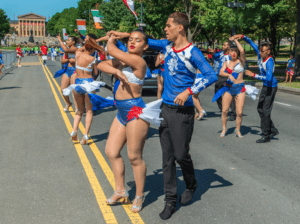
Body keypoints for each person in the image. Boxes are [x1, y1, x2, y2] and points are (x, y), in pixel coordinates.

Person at [109, 13, 218, 219]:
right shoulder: (166, 46)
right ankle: (170, 199)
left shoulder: (192, 52)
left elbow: (211, 74)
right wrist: (124, 34)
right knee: (167, 158)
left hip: (183, 111)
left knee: (180, 155)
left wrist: (190, 91)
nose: (165, 29)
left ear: (180, 28)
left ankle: (192, 183)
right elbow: (144, 40)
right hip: (165, 109)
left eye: (168, 26)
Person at [98, 29, 163, 213]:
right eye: (131, 40)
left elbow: (110, 50)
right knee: (111, 151)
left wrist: (111, 39)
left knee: (134, 157)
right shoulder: (124, 60)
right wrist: (115, 71)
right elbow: (102, 65)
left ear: (145, 46)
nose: (132, 42)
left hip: (135, 111)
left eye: (137, 40)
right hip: (121, 111)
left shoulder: (138, 61)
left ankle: (140, 195)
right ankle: (120, 190)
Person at [233, 34, 279, 143]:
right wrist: (242, 36)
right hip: (265, 86)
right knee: (260, 109)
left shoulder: (270, 62)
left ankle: (266, 135)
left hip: (271, 87)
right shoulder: (260, 55)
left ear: (268, 52)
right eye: (260, 51)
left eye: (262, 51)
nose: (260, 52)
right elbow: (251, 43)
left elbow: (268, 78)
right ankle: (272, 129)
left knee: (266, 111)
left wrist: (253, 75)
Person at [63, 37, 105, 144]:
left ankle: (74, 130)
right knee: (89, 111)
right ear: (92, 49)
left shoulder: (77, 54)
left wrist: (87, 43)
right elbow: (95, 73)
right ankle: (85, 135)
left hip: (78, 83)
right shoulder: (92, 59)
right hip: (88, 84)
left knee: (79, 110)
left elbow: (81, 49)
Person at [216, 38, 246, 138]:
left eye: (235, 51)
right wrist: (228, 75)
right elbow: (221, 72)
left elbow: (242, 50)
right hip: (229, 88)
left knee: (240, 112)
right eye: (232, 51)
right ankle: (224, 128)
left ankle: (237, 130)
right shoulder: (227, 62)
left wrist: (236, 40)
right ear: (229, 52)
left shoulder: (241, 62)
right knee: (225, 111)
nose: (233, 53)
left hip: (239, 88)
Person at [211, 41, 236, 121]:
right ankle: (223, 110)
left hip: (227, 76)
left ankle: (233, 113)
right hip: (219, 76)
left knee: (229, 95)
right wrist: (211, 53)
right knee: (217, 94)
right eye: (223, 44)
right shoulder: (221, 54)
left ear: (228, 47)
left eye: (224, 45)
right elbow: (214, 56)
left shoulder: (231, 55)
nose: (222, 46)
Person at [57, 35, 79, 112]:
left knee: (73, 90)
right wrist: (69, 59)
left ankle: (77, 107)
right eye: (67, 40)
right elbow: (62, 61)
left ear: (73, 42)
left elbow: (66, 50)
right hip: (67, 70)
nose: (67, 41)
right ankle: (68, 103)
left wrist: (60, 40)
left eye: (69, 40)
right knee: (63, 89)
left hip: (74, 70)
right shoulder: (68, 51)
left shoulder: (76, 49)